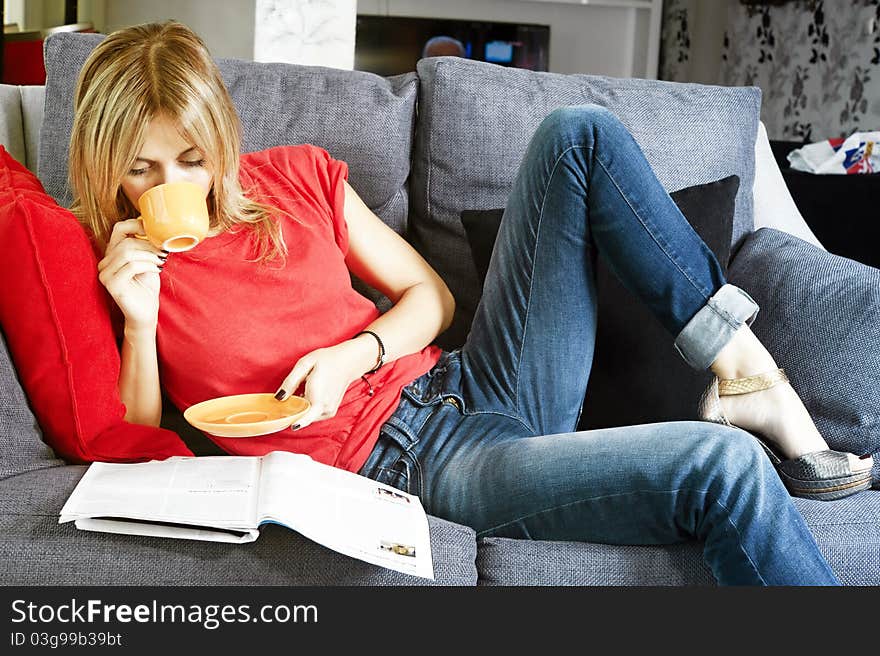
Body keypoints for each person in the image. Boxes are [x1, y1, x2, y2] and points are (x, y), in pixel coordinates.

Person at [69, 21, 873, 586]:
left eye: (191, 159)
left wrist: (355, 354)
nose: (171, 188)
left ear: (220, 143)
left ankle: (743, 369)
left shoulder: (291, 179)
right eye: (140, 170)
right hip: (414, 465)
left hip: (469, 383)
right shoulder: (115, 264)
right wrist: (139, 319)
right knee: (720, 467)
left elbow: (432, 295)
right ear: (104, 167)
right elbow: (132, 443)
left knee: (578, 135)